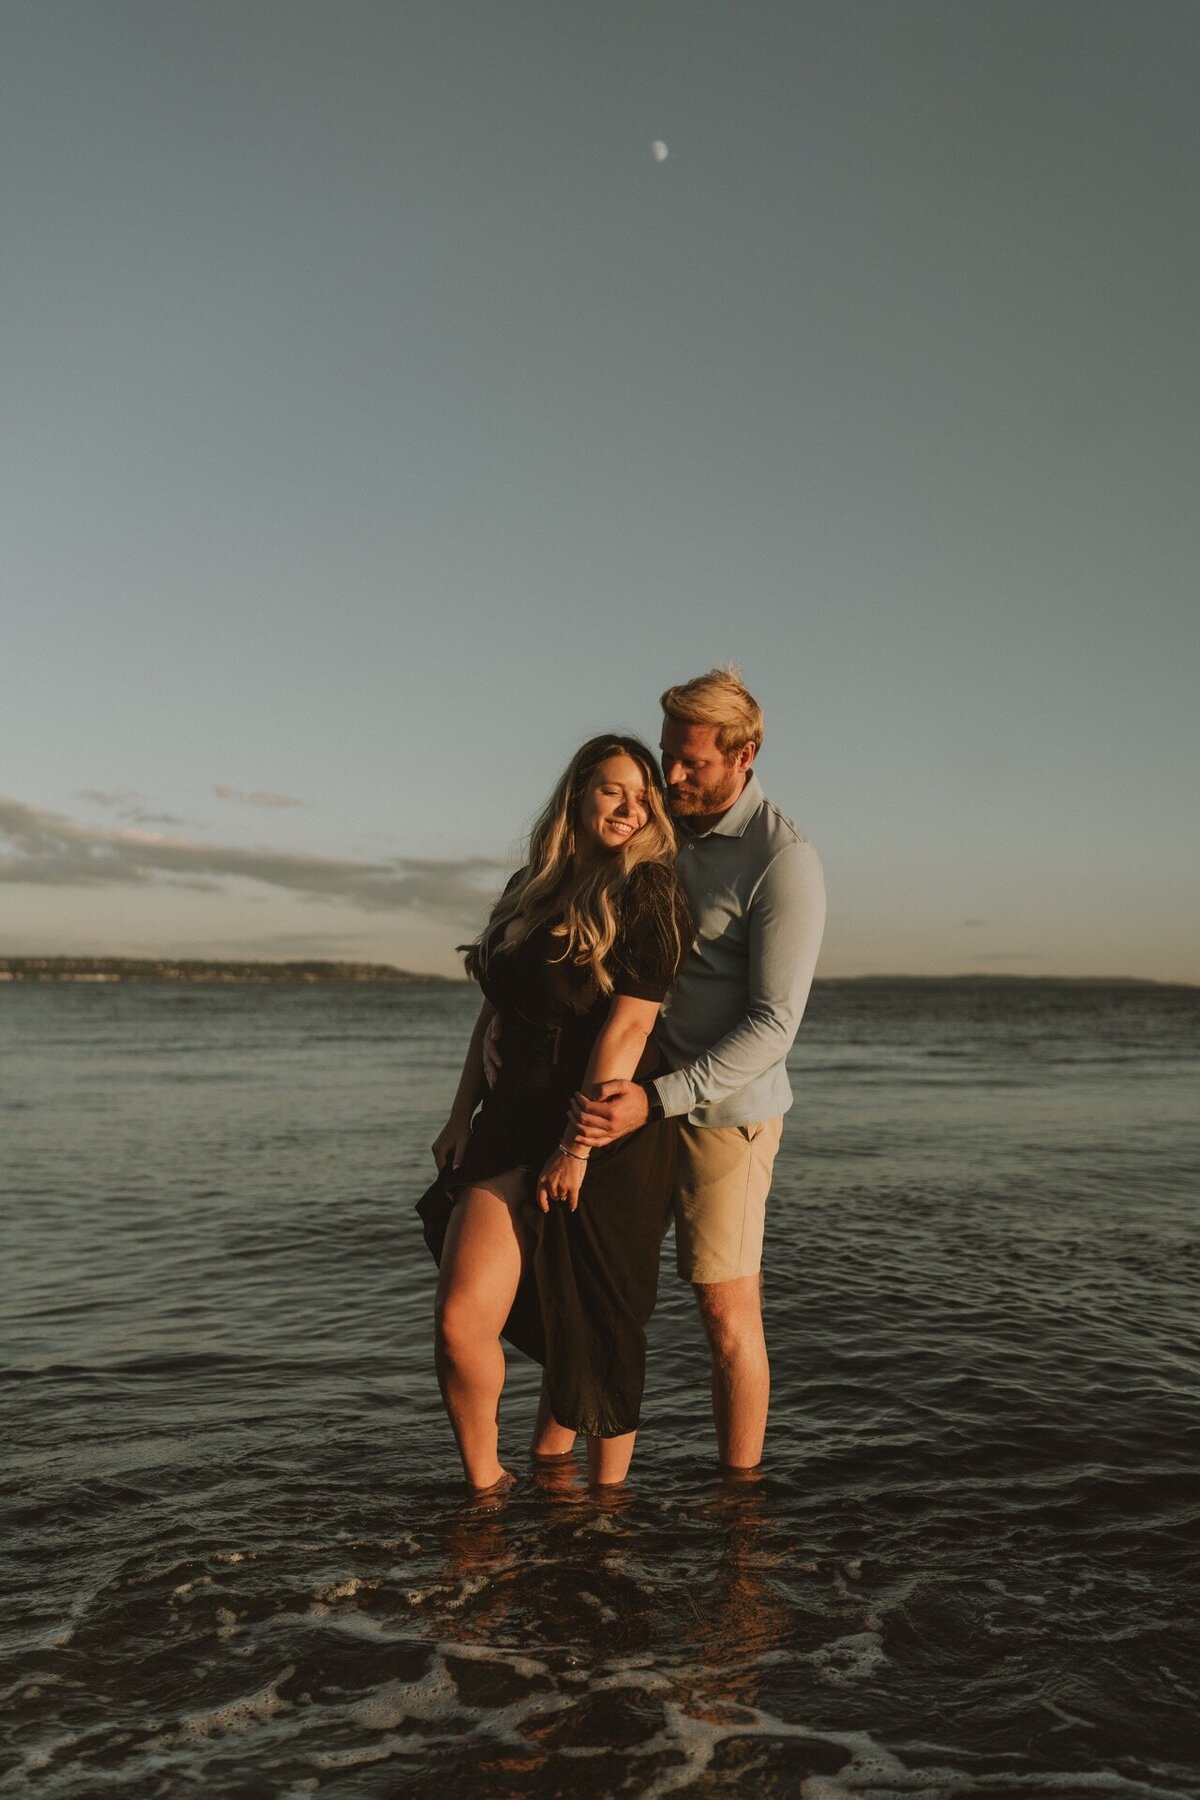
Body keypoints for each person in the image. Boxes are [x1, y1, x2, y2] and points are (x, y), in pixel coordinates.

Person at [550, 670, 827, 1475]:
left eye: (690, 764)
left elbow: (774, 1026)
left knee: (725, 1315)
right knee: (592, 1287)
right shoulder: (660, 823)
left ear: (745, 755)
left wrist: (658, 1099)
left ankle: (739, 1510)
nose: (669, 778)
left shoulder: (784, 860)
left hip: (717, 1117)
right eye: (667, 756)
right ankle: (558, 1479)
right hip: (625, 1099)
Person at [420, 734, 692, 1494]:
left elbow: (630, 1028)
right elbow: (494, 1012)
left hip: (605, 1130)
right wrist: (458, 1116)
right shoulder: (527, 887)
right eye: (613, 790)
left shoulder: (650, 892)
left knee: (597, 1327)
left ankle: (602, 1515)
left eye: (643, 797)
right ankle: (486, 1491)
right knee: (459, 1321)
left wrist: (576, 1147)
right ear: (576, 795)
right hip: (509, 1121)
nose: (630, 807)